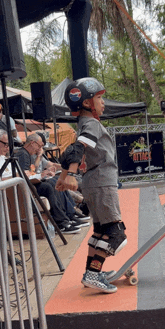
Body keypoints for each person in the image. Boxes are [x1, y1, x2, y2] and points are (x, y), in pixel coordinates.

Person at [55, 77, 127, 293]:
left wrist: (64, 175)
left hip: (94, 184)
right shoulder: (92, 124)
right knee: (115, 234)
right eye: (99, 98)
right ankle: (93, 274)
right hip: (102, 184)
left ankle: (92, 273)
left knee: (101, 231)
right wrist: (70, 174)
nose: (103, 102)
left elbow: (71, 149)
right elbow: (78, 149)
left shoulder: (83, 124)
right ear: (86, 103)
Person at [14, 133, 82, 234]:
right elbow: (25, 175)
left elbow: (32, 172)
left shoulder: (27, 154)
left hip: (31, 183)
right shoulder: (23, 154)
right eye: (39, 146)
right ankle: (62, 221)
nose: (40, 148)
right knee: (49, 186)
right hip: (26, 187)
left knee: (54, 181)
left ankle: (68, 214)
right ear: (32, 143)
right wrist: (42, 174)